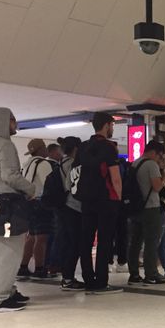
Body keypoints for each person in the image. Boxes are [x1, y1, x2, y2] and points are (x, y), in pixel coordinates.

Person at [0, 108, 35, 312]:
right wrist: (31, 189)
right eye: (13, 120)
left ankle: (7, 291)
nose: (15, 124)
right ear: (3, 121)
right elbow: (10, 176)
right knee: (9, 251)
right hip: (6, 208)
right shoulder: (5, 145)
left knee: (1, 250)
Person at [74, 112, 124, 294]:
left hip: (86, 199)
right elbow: (115, 178)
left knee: (86, 240)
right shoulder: (109, 148)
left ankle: (88, 279)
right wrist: (119, 200)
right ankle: (101, 281)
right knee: (104, 241)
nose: (112, 129)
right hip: (106, 199)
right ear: (107, 125)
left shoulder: (83, 147)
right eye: (112, 125)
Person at [126, 140, 165, 285]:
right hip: (150, 208)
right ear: (154, 152)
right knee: (152, 242)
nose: (159, 159)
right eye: (160, 156)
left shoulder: (135, 163)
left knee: (135, 243)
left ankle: (134, 274)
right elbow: (157, 187)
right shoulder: (151, 164)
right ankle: (151, 274)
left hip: (135, 208)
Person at [17, 139, 54, 279]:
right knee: (42, 237)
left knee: (31, 236)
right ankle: (39, 268)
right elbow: (48, 183)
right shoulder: (43, 164)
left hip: (28, 203)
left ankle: (23, 266)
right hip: (40, 203)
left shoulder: (27, 164)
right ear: (41, 149)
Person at [56, 136, 85, 291]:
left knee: (67, 243)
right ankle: (68, 278)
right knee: (74, 244)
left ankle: (67, 277)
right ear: (76, 148)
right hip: (73, 207)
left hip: (63, 207)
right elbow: (71, 185)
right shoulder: (73, 164)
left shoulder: (61, 162)